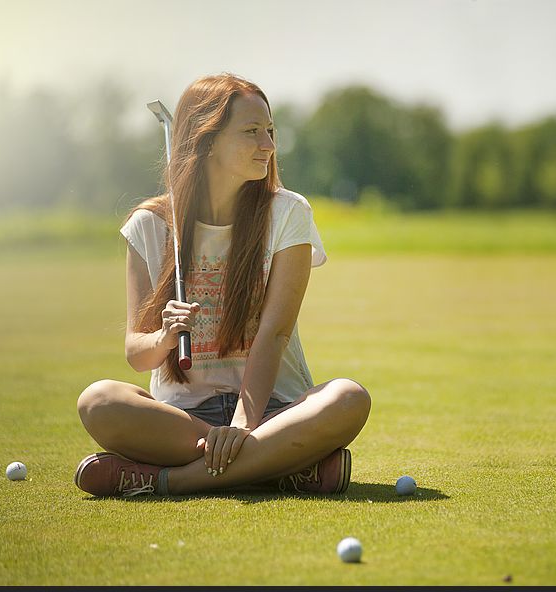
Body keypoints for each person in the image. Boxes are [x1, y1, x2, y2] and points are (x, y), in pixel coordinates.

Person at [74, 73, 371, 498]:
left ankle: (167, 480)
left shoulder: (289, 213)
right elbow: (137, 354)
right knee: (98, 401)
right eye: (251, 132)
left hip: (272, 412)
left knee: (348, 398)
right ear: (206, 140)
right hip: (184, 419)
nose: (268, 145)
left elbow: (274, 333)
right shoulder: (150, 225)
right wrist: (164, 335)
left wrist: (243, 426)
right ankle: (279, 468)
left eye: (270, 131)